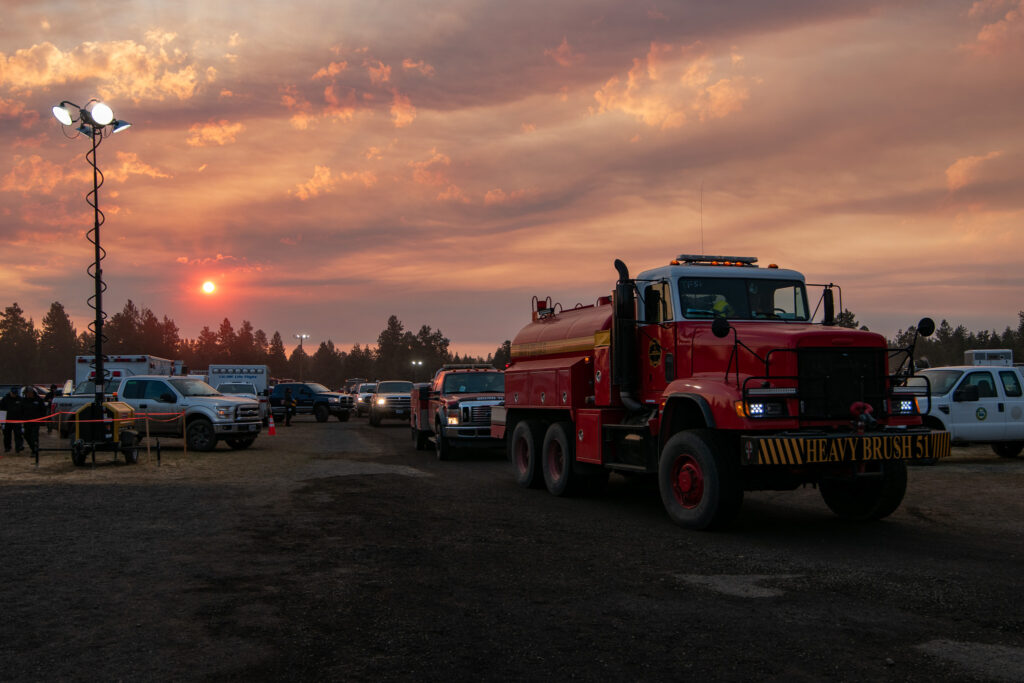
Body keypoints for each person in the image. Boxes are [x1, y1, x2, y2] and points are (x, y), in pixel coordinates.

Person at [21, 386, 48, 455]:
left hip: (36, 421)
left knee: (34, 436)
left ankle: (35, 451)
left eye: (28, 393)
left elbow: (43, 410)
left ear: (31, 393)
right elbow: (20, 410)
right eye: (26, 393)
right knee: (27, 435)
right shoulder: (24, 400)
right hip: (27, 422)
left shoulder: (38, 400)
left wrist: (42, 418)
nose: (27, 395)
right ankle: (32, 447)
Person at [1, 386, 24, 453]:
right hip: (7, 420)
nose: (14, 395)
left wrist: (22, 420)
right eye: (13, 393)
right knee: (7, 435)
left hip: (17, 420)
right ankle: (7, 447)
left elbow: (23, 410)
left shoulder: (20, 399)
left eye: (15, 393)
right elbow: (2, 410)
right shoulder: (5, 399)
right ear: (10, 392)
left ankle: (18, 447)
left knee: (18, 434)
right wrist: (2, 422)